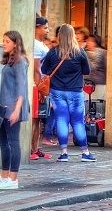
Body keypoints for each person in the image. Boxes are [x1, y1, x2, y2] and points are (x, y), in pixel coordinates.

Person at [41, 24, 96, 162]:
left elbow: (45, 69)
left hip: (57, 91)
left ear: (59, 36)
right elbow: (87, 71)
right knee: (77, 122)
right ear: (72, 36)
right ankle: (85, 152)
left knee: (61, 120)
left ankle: (64, 153)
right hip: (75, 92)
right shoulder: (79, 52)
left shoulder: (53, 52)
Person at [0, 31, 30, 189]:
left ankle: (13, 179)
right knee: (4, 143)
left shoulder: (19, 62)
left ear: (15, 44)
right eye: (3, 41)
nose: (4, 43)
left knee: (13, 142)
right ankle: (4, 177)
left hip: (13, 109)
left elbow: (21, 88)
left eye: (7, 41)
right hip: (4, 108)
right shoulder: (9, 61)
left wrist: (17, 110)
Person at [30, 17, 52, 160]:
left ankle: (35, 149)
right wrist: (40, 90)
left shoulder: (42, 44)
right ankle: (31, 150)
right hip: (36, 85)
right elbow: (36, 69)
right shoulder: (36, 45)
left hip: (42, 84)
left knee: (38, 119)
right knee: (33, 119)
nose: (48, 30)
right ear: (37, 27)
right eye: (45, 28)